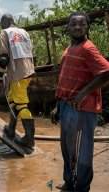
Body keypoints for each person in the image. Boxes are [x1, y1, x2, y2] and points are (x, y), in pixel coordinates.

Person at [51, 11, 109, 192]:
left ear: (87, 27)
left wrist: (83, 93)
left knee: (81, 152)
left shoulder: (87, 48)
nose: (77, 27)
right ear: (67, 27)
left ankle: (81, 188)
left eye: (81, 24)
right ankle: (69, 182)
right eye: (73, 24)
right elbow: (65, 78)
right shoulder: (69, 48)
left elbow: (106, 72)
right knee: (68, 149)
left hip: (81, 109)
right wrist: (57, 105)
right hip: (66, 105)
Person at [0, 14, 35, 147]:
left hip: (17, 74)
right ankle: (11, 129)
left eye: (2, 23)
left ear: (5, 22)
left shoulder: (5, 32)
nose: (1, 26)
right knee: (12, 98)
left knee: (22, 105)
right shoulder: (24, 32)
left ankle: (29, 140)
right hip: (28, 71)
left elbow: (3, 58)